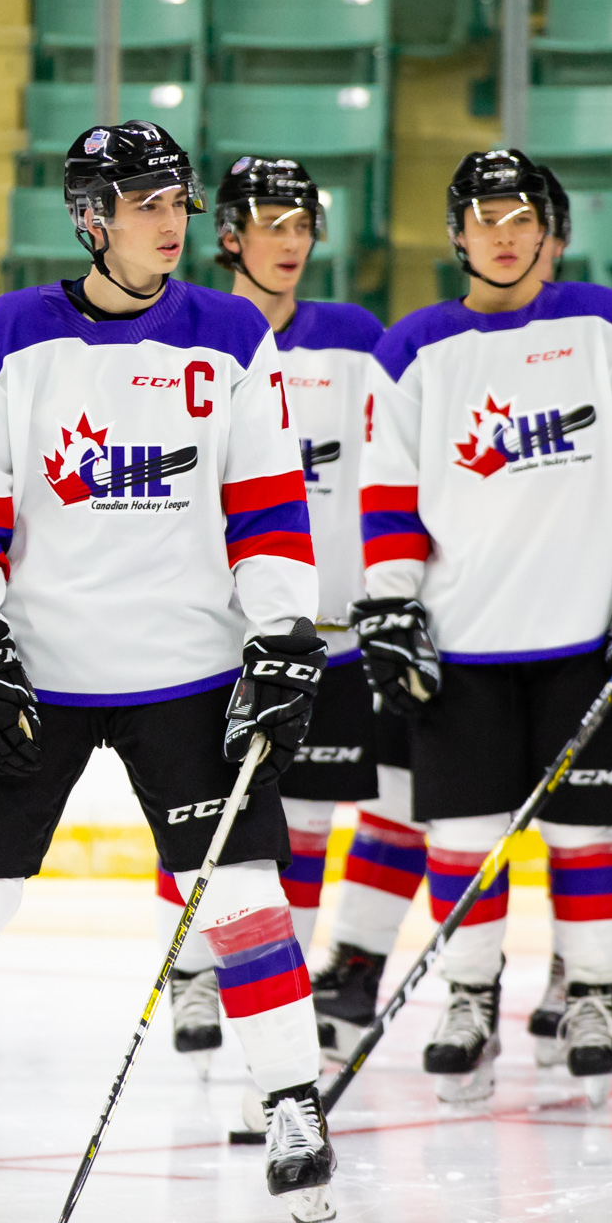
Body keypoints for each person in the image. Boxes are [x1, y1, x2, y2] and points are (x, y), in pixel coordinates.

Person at [0, 121, 337, 1223]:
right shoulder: (12, 335)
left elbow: (267, 510)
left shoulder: (232, 336)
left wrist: (284, 635)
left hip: (188, 672)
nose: (173, 224)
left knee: (245, 901)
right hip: (39, 674)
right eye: (148, 204)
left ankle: (294, 1103)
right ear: (91, 216)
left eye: (178, 204)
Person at [356, 147, 612, 1104]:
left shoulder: (606, 324)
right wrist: (388, 599)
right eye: (486, 220)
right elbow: (387, 496)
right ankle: (471, 998)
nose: (505, 238)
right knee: (463, 839)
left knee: (587, 837)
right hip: (459, 640)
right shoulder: (414, 347)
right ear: (458, 233)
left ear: (548, 233)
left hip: (583, 637)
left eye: (522, 221)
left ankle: (590, 994)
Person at [150, 156, 401, 1074]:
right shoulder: (189, 335)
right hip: (209, 634)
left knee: (305, 824)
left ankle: (275, 975)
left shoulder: (358, 338)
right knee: (197, 809)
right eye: (272, 225)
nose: (290, 243)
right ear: (229, 235)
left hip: (323, 634)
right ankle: (190, 967)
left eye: (302, 226)